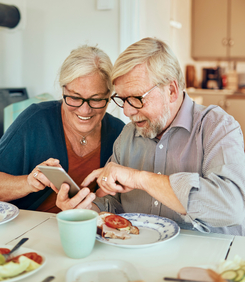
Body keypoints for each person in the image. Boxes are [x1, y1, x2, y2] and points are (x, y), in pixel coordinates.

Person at [79, 37, 245, 235]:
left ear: (172, 90)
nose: (127, 112)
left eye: (136, 98)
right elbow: (114, 203)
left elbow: (230, 206)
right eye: (123, 99)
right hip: (142, 254)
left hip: (209, 259)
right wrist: (86, 211)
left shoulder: (217, 127)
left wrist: (140, 179)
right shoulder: (128, 135)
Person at [0, 45, 125, 213]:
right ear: (63, 90)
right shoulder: (35, 120)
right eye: (74, 98)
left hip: (86, 228)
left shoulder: (119, 133)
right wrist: (28, 183)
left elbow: (119, 201)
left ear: (109, 96)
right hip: (31, 227)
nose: (84, 110)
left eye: (96, 100)